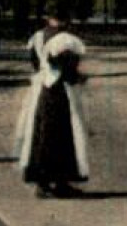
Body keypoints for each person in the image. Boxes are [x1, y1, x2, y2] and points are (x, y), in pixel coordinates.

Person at [14, 11, 90, 198]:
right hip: (60, 90)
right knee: (63, 133)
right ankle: (61, 182)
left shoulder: (38, 37)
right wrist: (78, 77)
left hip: (41, 89)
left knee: (41, 131)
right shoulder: (66, 40)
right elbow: (67, 66)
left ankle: (42, 182)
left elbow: (35, 62)